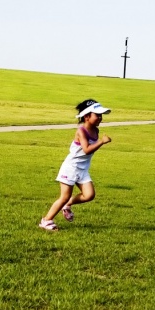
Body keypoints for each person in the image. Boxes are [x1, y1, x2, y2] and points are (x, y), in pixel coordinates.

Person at [39, 99, 112, 231]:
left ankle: (67, 205)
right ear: (87, 116)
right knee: (64, 196)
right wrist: (102, 142)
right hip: (71, 168)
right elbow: (86, 149)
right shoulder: (81, 131)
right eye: (97, 115)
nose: (100, 118)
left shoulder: (95, 130)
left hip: (83, 169)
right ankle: (46, 220)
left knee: (89, 195)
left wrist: (100, 140)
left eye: (101, 115)